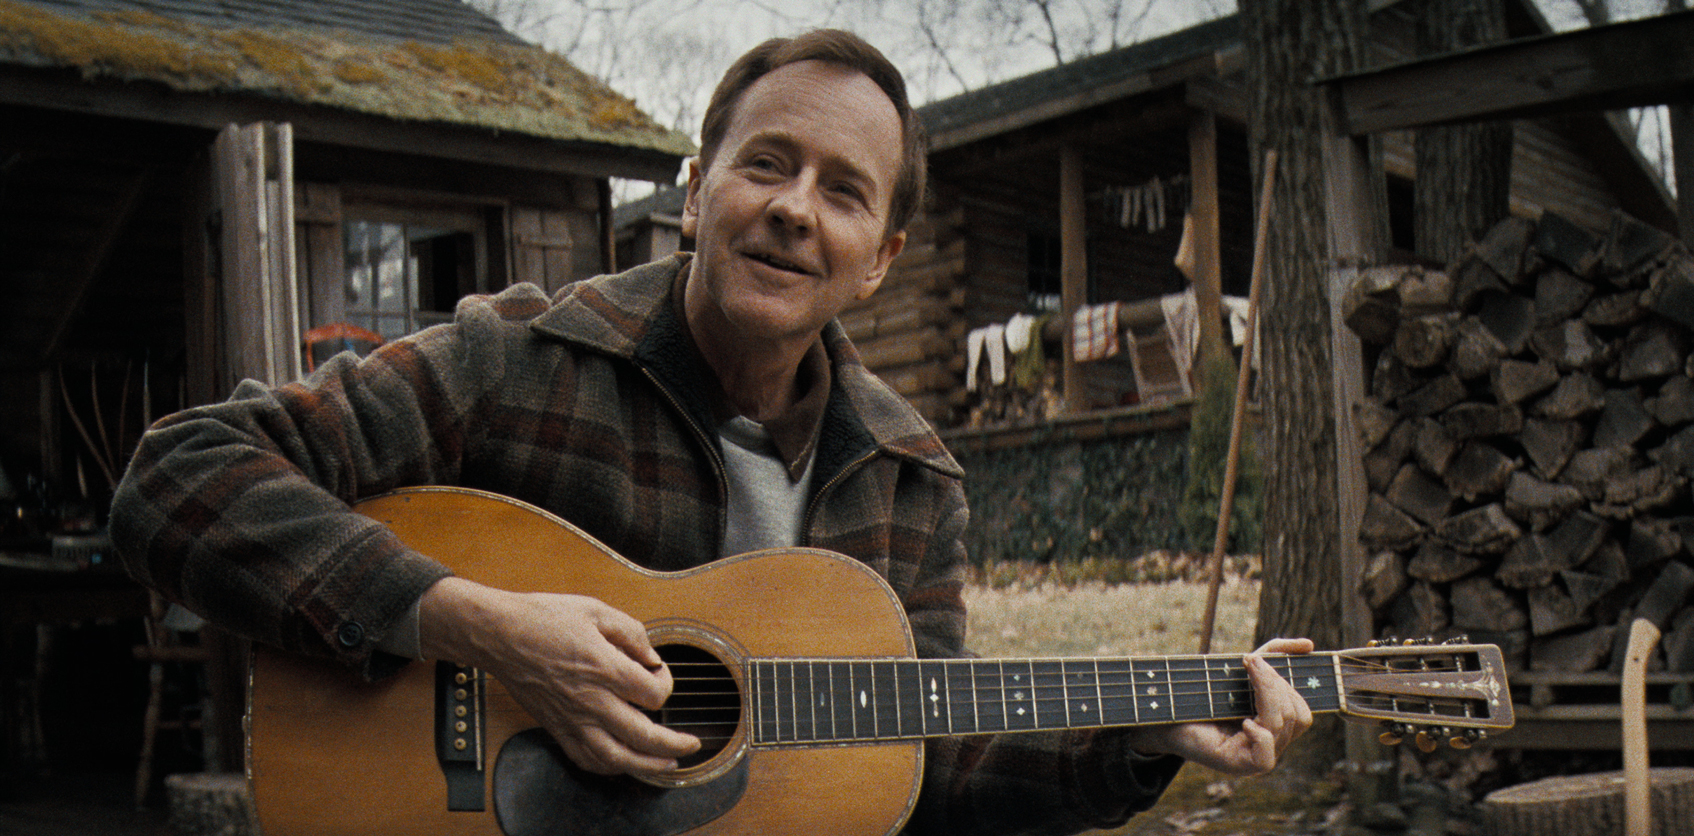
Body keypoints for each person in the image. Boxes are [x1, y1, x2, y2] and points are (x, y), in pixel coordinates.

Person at [110, 29, 1311, 834]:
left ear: (883, 259)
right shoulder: (517, 359)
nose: (795, 209)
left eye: (843, 191)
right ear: (695, 192)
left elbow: (927, 765)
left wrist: (1142, 732)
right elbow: (177, 476)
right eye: (766, 166)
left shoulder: (907, 481)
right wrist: (483, 624)